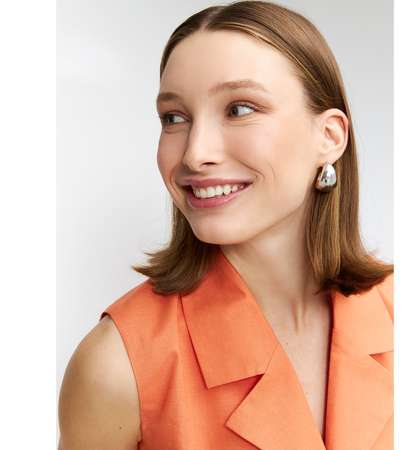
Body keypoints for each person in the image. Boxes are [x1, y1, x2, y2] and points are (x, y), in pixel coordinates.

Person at [58, 1, 394, 449]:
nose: (195, 153)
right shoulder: (116, 366)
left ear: (329, 137)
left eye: (239, 109)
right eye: (174, 118)